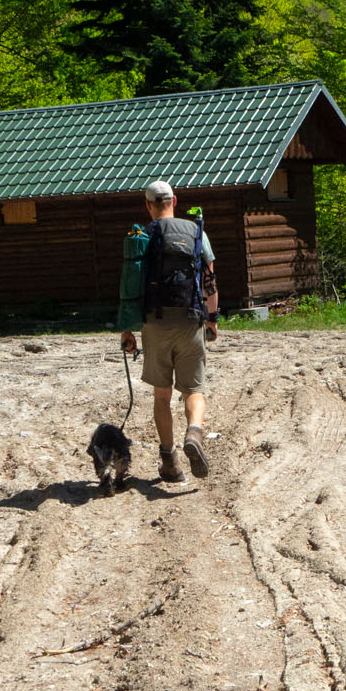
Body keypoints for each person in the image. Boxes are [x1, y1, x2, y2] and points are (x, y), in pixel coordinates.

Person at [120, 180, 219, 481]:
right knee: (194, 389)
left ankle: (170, 463)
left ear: (148, 205)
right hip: (191, 320)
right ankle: (195, 433)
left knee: (161, 396)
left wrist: (127, 330)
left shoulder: (143, 236)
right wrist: (212, 320)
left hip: (155, 323)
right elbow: (210, 279)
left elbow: (130, 283)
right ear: (174, 200)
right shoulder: (196, 232)